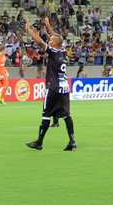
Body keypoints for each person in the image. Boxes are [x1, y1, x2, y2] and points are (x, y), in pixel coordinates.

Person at [25, 18, 76, 151]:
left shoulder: (53, 52)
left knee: (46, 114)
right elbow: (58, 39)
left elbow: (40, 42)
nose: (49, 40)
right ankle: (72, 142)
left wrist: (29, 29)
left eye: (51, 40)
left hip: (53, 87)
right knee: (66, 115)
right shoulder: (63, 52)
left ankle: (39, 142)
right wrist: (49, 27)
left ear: (55, 44)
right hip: (64, 87)